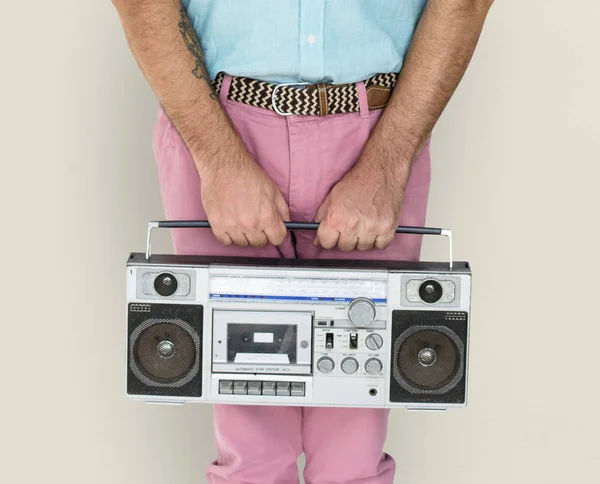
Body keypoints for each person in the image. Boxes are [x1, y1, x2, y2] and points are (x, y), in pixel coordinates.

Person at [112, 0, 494, 482]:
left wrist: (388, 164)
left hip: (379, 132)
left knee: (353, 444)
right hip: (217, 126)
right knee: (250, 448)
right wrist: (219, 161)